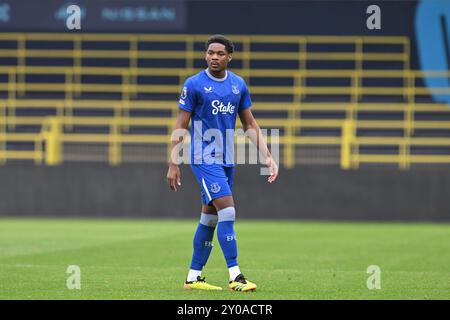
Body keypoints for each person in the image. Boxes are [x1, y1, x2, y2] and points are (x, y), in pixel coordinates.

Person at [166, 34, 279, 292]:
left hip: (227, 159)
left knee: (209, 219)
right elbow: (181, 125)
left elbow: (249, 123)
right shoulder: (194, 84)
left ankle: (193, 277)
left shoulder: (238, 85)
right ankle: (235, 276)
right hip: (203, 158)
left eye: (219, 53)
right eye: (210, 53)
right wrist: (174, 162)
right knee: (228, 211)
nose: (214, 57)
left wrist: (268, 156)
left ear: (229, 56)